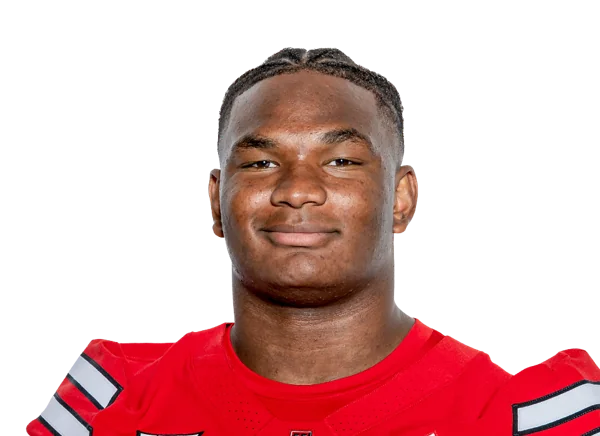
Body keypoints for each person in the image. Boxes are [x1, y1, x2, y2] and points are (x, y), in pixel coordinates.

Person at [27, 47, 599, 436]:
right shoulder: (109, 400)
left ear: (402, 198)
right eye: (261, 161)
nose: (297, 190)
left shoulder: (532, 417)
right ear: (217, 200)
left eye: (342, 161)